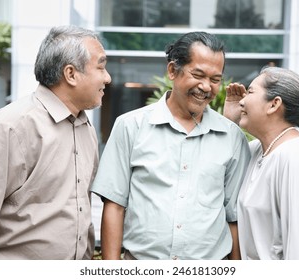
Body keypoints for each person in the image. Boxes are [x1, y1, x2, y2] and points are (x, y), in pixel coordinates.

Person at [92, 31, 251, 260]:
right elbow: (114, 206)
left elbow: (233, 216)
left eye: (215, 79)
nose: (206, 87)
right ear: (172, 71)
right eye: (198, 75)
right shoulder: (130, 126)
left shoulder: (232, 136)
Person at [0, 25, 111, 259]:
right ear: (71, 74)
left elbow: (81, 217)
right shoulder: (12, 126)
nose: (107, 78)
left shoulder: (84, 127)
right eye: (101, 67)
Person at [224, 66, 299, 260]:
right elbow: (224, 173)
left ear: (274, 104)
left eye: (250, 92)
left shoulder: (298, 159)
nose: (242, 101)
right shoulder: (258, 149)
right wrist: (230, 122)